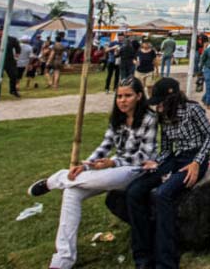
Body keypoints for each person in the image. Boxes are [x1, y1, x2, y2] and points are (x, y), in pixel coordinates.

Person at [27, 77, 157, 269]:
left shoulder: (149, 118)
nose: (122, 100)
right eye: (119, 96)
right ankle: (63, 258)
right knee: (72, 193)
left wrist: (113, 162)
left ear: (139, 96)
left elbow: (145, 155)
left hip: (136, 170)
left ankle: (55, 180)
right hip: (113, 166)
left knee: (108, 175)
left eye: (128, 96)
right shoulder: (117, 118)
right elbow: (105, 145)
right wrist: (85, 165)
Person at [126, 77, 210, 269]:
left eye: (160, 101)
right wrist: (156, 163)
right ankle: (143, 257)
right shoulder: (163, 115)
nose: (157, 106)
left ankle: (166, 261)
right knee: (134, 191)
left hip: (194, 158)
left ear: (172, 97)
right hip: (175, 158)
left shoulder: (193, 109)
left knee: (162, 194)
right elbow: (167, 148)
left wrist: (197, 162)